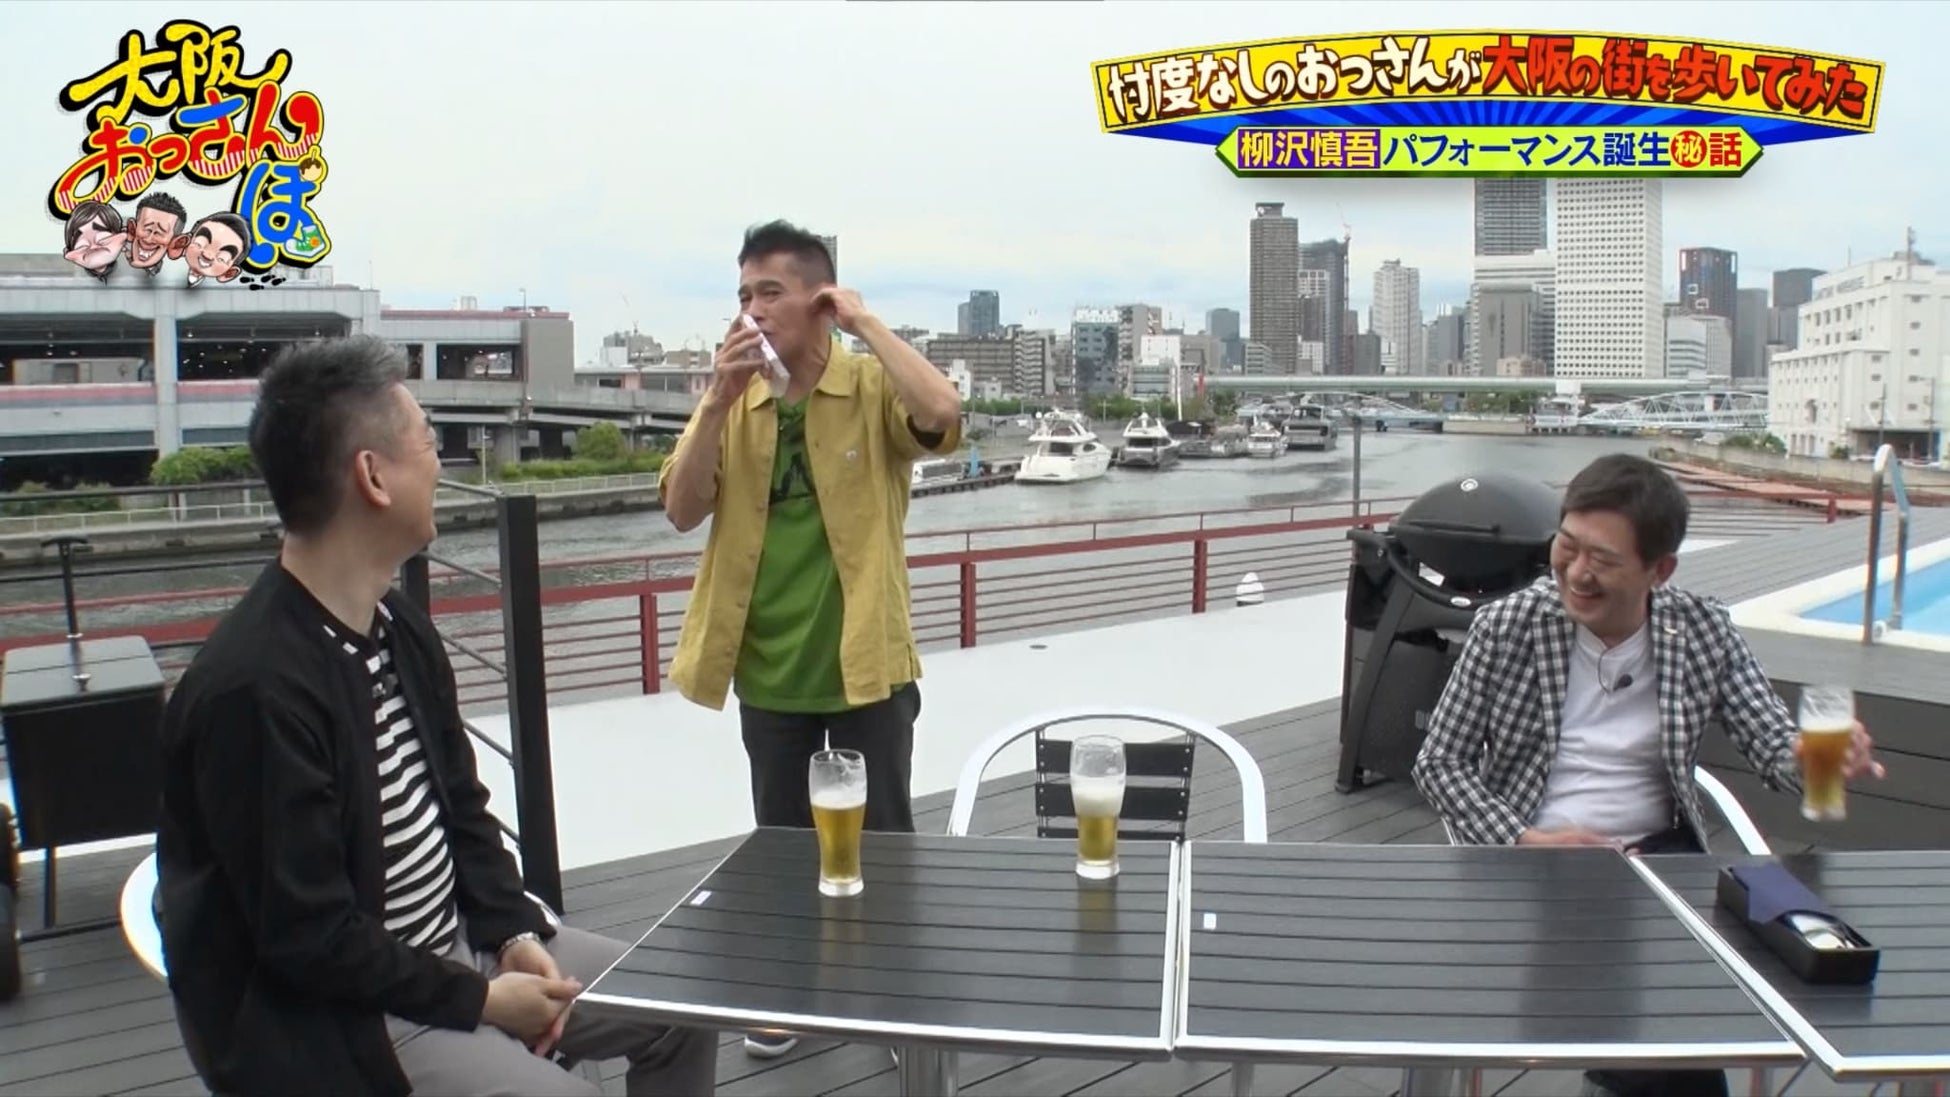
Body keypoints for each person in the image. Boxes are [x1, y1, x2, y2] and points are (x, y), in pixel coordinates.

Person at [155, 335, 717, 1097]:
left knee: (681, 1008)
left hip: (462, 949)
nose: (442, 465)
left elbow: (462, 806)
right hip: (356, 1012)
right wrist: (483, 1000)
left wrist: (511, 932)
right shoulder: (252, 691)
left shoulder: (395, 625)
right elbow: (308, 938)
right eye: (428, 442)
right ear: (373, 476)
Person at [1412, 452, 1886, 1097]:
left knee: (1706, 1011)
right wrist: (1525, 839)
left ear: (1659, 571)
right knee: (1667, 1038)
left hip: (1663, 864)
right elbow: (1440, 761)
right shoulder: (1509, 625)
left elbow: (1773, 744)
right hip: (1537, 862)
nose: (1576, 572)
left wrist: (1813, 759)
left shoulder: (1702, 630)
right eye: (1567, 545)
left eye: (1603, 559)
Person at [658, 220, 963, 1058]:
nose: (752, 310)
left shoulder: (867, 386)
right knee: (783, 844)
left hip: (867, 660)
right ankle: (789, 990)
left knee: (884, 842)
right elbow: (681, 507)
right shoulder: (737, 404)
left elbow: (942, 411)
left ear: (819, 300)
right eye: (743, 295)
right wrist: (716, 399)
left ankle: (894, 999)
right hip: (769, 667)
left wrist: (864, 323)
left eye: (771, 292)